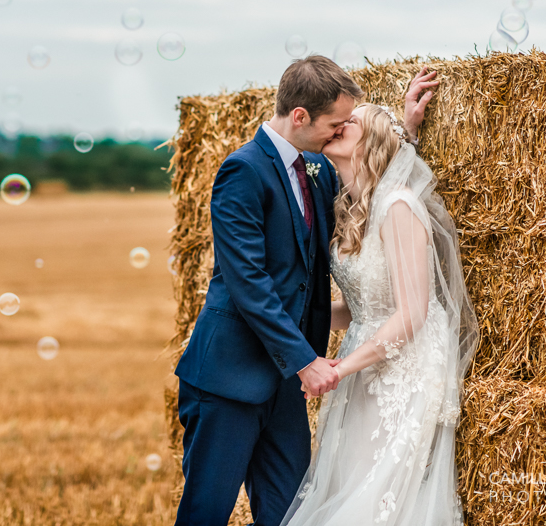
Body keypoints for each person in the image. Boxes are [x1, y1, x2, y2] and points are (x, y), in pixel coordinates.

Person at [173, 55, 439, 525]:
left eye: (343, 128)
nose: (338, 134)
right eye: (334, 125)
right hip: (230, 380)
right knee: (205, 515)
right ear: (300, 117)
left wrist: (406, 129)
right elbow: (249, 284)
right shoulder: (244, 171)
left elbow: (375, 174)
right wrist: (307, 363)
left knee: (290, 515)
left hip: (287, 390)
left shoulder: (315, 169)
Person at [279, 104, 479, 526]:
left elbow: (411, 315)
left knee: (377, 498)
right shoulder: (353, 209)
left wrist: (338, 369)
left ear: (370, 143)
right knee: (349, 484)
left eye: (351, 122)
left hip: (403, 367)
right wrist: (287, 322)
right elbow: (359, 309)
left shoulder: (399, 206)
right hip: (363, 361)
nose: (338, 124)